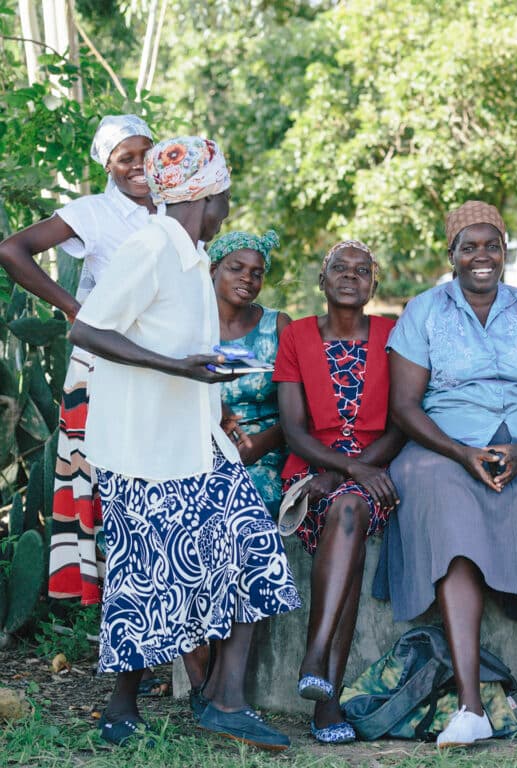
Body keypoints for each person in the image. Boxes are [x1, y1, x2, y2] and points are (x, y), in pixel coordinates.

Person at [68, 136, 300, 750]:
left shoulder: (193, 256)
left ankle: (225, 699)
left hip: (195, 441)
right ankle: (121, 708)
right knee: (142, 578)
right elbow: (87, 328)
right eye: (225, 192)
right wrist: (177, 370)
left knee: (254, 548)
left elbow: (182, 346)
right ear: (207, 195)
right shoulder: (152, 246)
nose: (228, 203)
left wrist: (214, 395)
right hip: (143, 449)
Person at [384, 201, 517, 748]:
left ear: (505, 251)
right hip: (443, 449)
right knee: (453, 527)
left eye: (492, 245)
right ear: (450, 254)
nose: (482, 256)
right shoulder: (424, 312)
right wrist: (460, 452)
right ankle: (471, 708)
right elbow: (405, 406)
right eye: (469, 247)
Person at [0, 114, 156, 608]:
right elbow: (12, 249)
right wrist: (72, 306)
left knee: (155, 484)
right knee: (108, 486)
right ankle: (116, 613)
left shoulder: (176, 207)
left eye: (144, 153)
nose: (138, 166)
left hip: (163, 366)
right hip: (104, 366)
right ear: (108, 165)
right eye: (124, 158)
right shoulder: (92, 212)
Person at [274, 240, 404, 744]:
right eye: (340, 269)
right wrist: (341, 468)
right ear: (322, 280)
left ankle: (316, 659)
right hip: (312, 472)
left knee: (349, 507)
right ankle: (325, 700)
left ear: (374, 284)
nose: (351, 277)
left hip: (375, 476)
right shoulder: (298, 337)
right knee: (344, 516)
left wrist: (353, 472)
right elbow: (294, 431)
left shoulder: (394, 336)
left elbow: (401, 423)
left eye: (362, 270)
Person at [210, 229, 291, 516]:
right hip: (199, 448)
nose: (247, 277)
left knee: (244, 506)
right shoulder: (190, 324)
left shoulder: (277, 326)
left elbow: (300, 410)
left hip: (263, 452)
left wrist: (257, 446)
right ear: (213, 269)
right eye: (236, 268)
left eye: (257, 273)